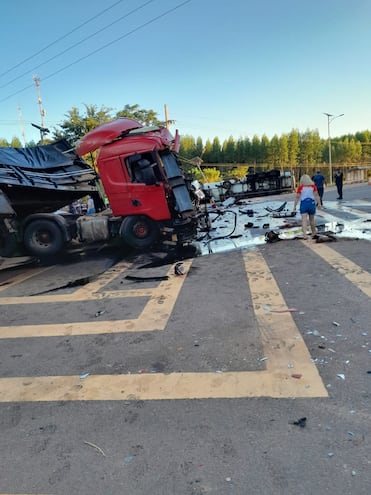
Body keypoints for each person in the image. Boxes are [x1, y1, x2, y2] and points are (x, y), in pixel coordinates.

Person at [293, 174, 321, 239]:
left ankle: (305, 235)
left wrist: (294, 206)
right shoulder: (313, 186)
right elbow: (317, 195)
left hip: (304, 204)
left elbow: (297, 197)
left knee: (304, 220)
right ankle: (313, 232)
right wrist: (319, 204)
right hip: (311, 204)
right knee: (312, 220)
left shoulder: (300, 187)